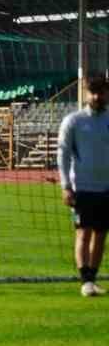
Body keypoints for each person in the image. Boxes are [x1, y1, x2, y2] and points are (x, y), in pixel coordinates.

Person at [59, 74, 109, 298]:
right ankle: (85, 280)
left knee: (101, 235)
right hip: (82, 188)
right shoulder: (74, 121)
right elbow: (63, 154)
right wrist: (65, 185)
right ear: (86, 93)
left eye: (102, 92)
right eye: (93, 92)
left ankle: (92, 279)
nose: (97, 96)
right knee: (83, 233)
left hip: (106, 188)